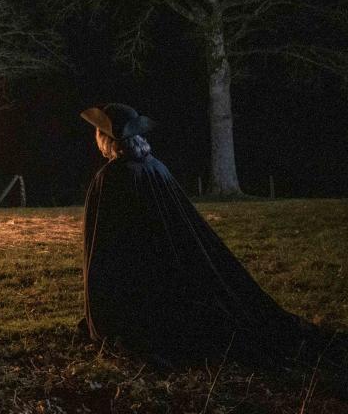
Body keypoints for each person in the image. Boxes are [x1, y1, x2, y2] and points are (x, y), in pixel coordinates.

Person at [81, 103, 338, 369]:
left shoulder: (112, 177)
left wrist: (104, 315)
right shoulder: (156, 167)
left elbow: (103, 250)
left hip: (145, 290)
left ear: (106, 138)